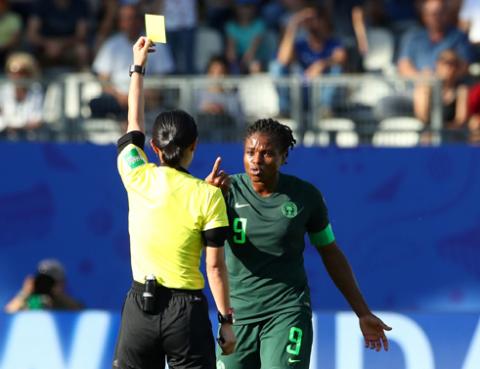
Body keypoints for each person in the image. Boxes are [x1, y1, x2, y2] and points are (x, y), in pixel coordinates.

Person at [208, 118, 392, 369]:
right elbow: (194, 241)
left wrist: (362, 312)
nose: (256, 161)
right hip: (237, 316)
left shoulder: (306, 197)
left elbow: (330, 252)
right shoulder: (223, 191)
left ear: (284, 157)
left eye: (267, 154)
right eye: (250, 152)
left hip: (287, 311)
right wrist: (205, 203)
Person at [112, 36, 236, 369]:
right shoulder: (208, 195)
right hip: (187, 312)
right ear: (194, 145)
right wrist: (226, 320)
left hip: (141, 305)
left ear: (154, 146)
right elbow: (214, 267)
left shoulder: (136, 175)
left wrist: (138, 66)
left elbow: (133, 124)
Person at [90, 3, 173, 125]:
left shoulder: (156, 44)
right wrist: (122, 97)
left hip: (147, 99)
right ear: (120, 22)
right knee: (97, 103)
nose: (130, 23)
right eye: (126, 19)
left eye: (133, 18)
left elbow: (162, 81)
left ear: (140, 20)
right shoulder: (111, 45)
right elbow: (103, 81)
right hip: (117, 100)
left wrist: (137, 97)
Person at [397, 0, 472, 78]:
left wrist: (444, 76)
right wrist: (424, 79)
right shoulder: (413, 37)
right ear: (424, 16)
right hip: (417, 85)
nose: (436, 17)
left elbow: (464, 66)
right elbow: (403, 65)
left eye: (440, 13)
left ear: (447, 14)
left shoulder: (459, 37)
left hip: (448, 86)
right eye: (431, 14)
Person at [26, 0, 90, 71]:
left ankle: (81, 76)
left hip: (68, 46)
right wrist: (47, 44)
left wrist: (61, 45)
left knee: (82, 50)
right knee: (26, 52)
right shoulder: (41, 3)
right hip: (43, 46)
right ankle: (32, 76)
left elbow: (81, 35)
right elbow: (31, 34)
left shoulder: (80, 4)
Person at [413, 49, 468, 129]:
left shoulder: (461, 89)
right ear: (437, 64)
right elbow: (421, 116)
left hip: (452, 134)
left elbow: (460, 119)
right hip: (429, 133)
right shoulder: (424, 87)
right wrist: (427, 91)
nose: (448, 67)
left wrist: (445, 131)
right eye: (444, 62)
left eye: (453, 63)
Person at [4, 259, 84, 312]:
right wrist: (24, 293)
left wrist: (58, 296)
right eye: (42, 281)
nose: (46, 285)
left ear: (62, 283)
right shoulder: (32, 302)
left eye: (50, 282)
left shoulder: (69, 305)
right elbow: (7, 316)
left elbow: (79, 313)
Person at [195, 55, 244, 141]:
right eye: (213, 72)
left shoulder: (232, 96)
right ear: (208, 73)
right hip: (203, 143)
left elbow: (239, 121)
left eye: (221, 72)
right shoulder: (198, 94)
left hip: (226, 142)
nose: (217, 76)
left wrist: (223, 111)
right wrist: (205, 109)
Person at [0, 52, 45, 140]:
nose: (17, 76)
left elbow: (37, 120)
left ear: (29, 73)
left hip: (31, 140)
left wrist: (17, 125)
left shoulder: (37, 91)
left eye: (22, 72)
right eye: (12, 72)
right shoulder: (2, 91)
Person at [225, 0, 266, 74]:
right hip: (239, 62)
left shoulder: (259, 25)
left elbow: (253, 49)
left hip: (256, 60)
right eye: (242, 7)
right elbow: (231, 54)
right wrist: (236, 64)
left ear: (254, 8)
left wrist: (244, 64)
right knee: (233, 68)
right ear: (236, 8)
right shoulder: (231, 26)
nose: (245, 10)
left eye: (248, 7)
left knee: (255, 66)